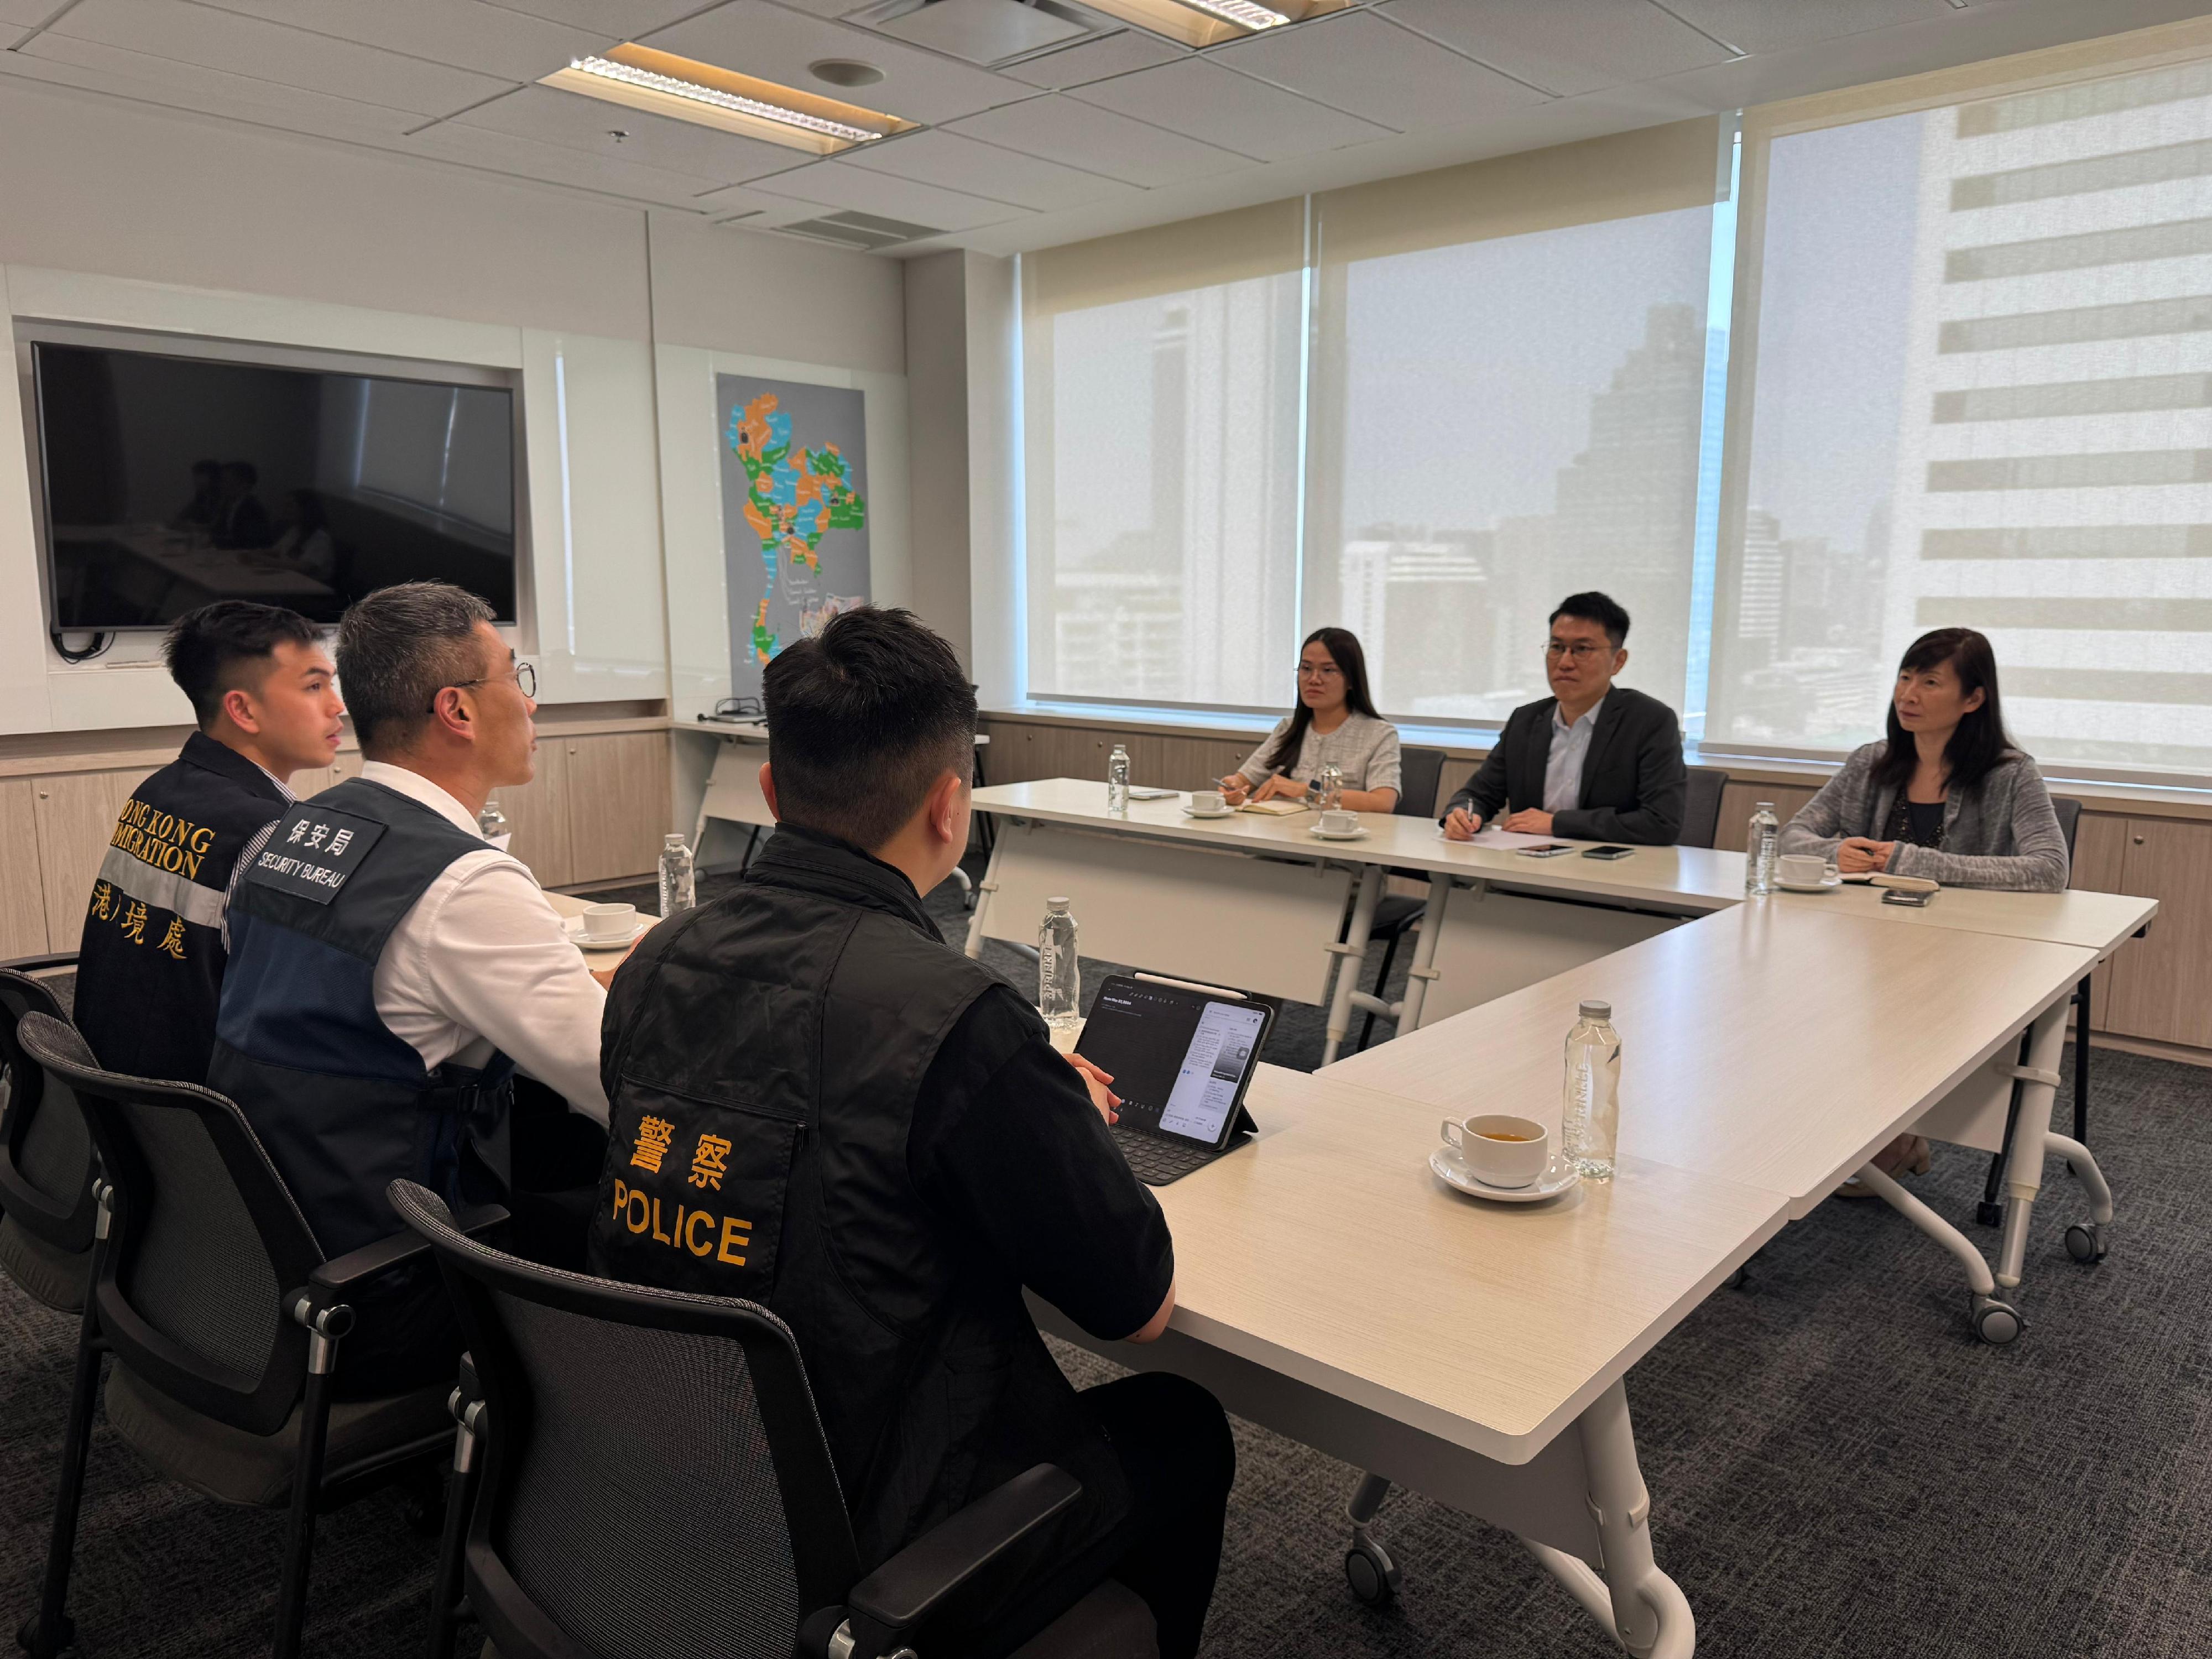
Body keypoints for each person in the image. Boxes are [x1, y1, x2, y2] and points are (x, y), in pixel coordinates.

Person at [590, 607, 1232, 1659]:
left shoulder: (657, 960)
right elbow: (1136, 1308)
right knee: (1181, 1426)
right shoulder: (959, 1017)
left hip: (667, 1467)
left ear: (767, 792)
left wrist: (1006, 1090)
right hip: (869, 1543)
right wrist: (1040, 1105)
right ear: (951, 807)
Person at [210, 581, 617, 1395]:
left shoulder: (285, 837)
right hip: (390, 1291)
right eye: (517, 678)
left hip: (263, 1256)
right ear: (457, 711)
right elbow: (618, 1079)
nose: (532, 708)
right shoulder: (463, 883)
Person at [1780, 627, 2069, 1193]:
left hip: (1965, 956)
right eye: (1905, 677)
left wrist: (1919, 862)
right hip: (1861, 944)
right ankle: (1862, 1131)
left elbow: (2047, 869)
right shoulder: (1871, 762)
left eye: (1930, 682)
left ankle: (1895, 1133)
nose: (1908, 694)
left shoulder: (2010, 774)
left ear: (1972, 699)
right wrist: (1832, 851)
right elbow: (1791, 836)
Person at [73, 601, 342, 1084]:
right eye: (314, 686)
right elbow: (306, 1010)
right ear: (242, 708)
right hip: (205, 1111)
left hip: (124, 1097)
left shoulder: (160, 789)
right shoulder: (267, 833)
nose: (337, 706)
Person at [1441, 591, 1686, 845]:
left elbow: (1661, 822)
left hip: (1609, 872)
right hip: (1528, 868)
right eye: (1557, 647)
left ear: (1618, 661)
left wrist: (1557, 824)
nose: (1565, 662)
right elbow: (1478, 794)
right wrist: (1462, 814)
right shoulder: (1526, 720)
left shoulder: (1650, 721)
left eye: (1582, 649)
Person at [1220, 627, 1401, 810]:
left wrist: (1307, 791)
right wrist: (1233, 788)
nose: (1314, 679)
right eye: (1306, 668)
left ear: (1351, 680)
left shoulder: (1379, 734)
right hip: (1284, 833)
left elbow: (1383, 803)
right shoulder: (1288, 728)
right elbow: (1244, 780)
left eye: (1328, 670)